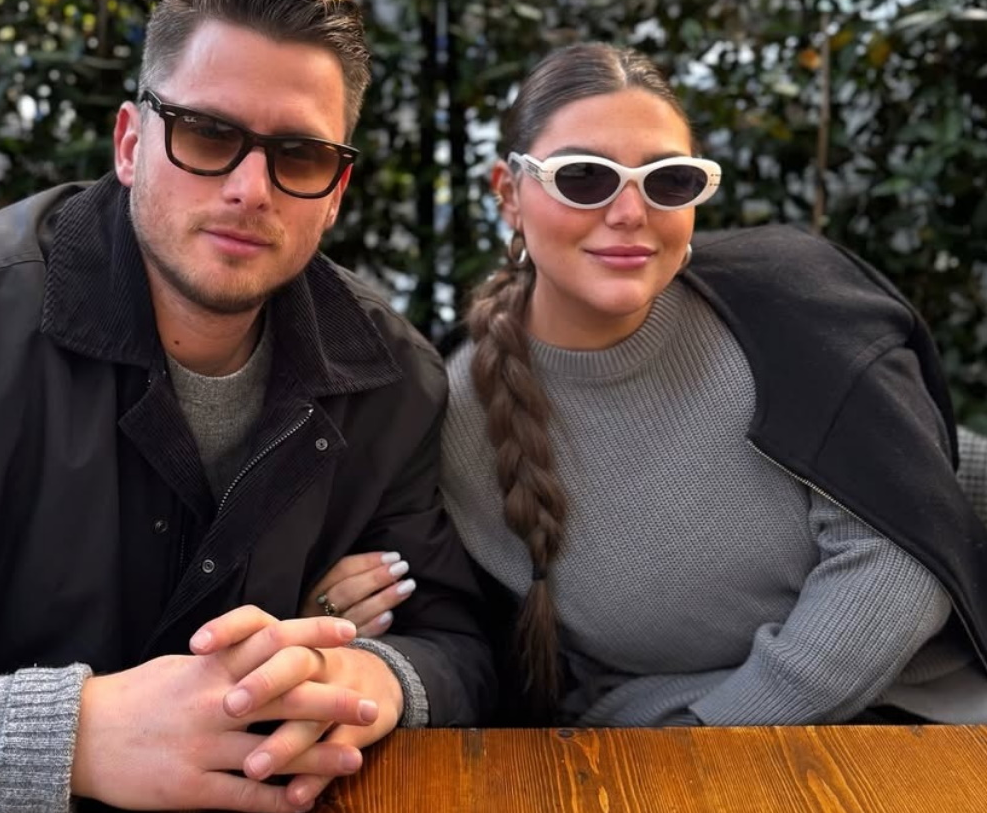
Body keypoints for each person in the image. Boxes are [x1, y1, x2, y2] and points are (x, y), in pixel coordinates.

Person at [0, 0, 493, 813]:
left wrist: (359, 676)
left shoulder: (387, 374)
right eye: (207, 134)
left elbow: (459, 646)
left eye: (300, 154)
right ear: (130, 143)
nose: (250, 189)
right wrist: (70, 736)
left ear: (336, 189)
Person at [316, 42, 987, 728]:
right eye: (584, 177)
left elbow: (901, 564)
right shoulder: (450, 418)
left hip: (933, 723)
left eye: (668, 180)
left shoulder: (796, 307)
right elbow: (503, 662)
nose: (630, 211)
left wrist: (699, 729)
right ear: (509, 194)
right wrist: (327, 618)